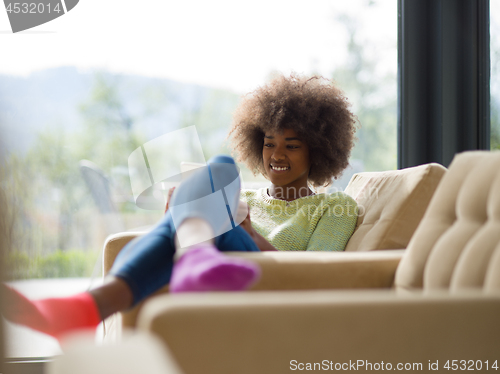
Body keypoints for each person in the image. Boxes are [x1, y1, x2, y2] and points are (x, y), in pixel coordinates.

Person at [1, 73, 358, 340]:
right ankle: (191, 256)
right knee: (211, 175)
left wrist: (249, 235)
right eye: (268, 143)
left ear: (319, 149)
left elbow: (316, 275)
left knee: (216, 172)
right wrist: (177, 212)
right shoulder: (243, 196)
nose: (276, 155)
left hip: (265, 282)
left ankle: (88, 306)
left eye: (292, 145)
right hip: (221, 270)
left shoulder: (334, 206)